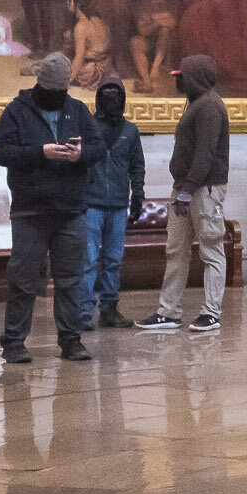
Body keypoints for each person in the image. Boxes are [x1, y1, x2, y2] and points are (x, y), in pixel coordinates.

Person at [0, 53, 103, 364]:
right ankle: (13, 342)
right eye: (52, 90)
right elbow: (0, 151)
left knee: (71, 279)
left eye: (61, 90)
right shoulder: (17, 110)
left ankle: (71, 340)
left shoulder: (78, 110)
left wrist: (80, 154)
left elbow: (98, 148)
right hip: (30, 211)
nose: (57, 96)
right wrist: (41, 152)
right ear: (40, 84)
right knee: (23, 278)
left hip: (71, 210)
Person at [138, 53, 228, 333]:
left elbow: (205, 154)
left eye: (182, 77)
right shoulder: (196, 104)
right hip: (186, 188)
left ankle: (211, 313)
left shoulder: (210, 106)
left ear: (194, 77)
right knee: (176, 249)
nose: (179, 81)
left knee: (211, 250)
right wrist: (183, 189)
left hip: (202, 189)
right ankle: (169, 312)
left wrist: (187, 190)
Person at [80, 77, 144, 329]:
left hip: (118, 204)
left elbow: (137, 166)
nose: (111, 100)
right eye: (106, 95)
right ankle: (85, 313)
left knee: (114, 260)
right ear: (98, 99)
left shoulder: (131, 131)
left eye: (116, 96)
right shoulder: (88, 127)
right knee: (88, 261)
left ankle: (109, 310)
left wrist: (137, 195)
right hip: (91, 204)